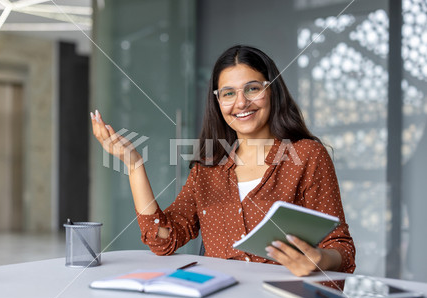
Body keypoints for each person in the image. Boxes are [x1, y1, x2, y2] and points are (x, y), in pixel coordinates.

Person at [91, 45, 356, 276]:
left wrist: (319, 259)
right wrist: (134, 165)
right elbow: (163, 239)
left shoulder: (307, 155)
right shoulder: (207, 168)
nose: (241, 103)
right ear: (217, 101)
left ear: (272, 91)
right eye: (228, 93)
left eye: (252, 89)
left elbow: (341, 247)